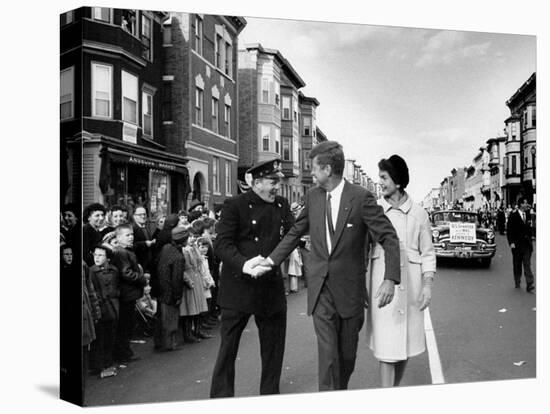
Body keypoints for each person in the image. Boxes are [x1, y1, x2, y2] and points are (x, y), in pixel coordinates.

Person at [261, 141, 401, 391]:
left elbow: (389, 237)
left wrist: (390, 278)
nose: (311, 173)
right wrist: (270, 261)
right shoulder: (313, 197)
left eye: (314, 168)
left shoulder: (360, 198)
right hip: (321, 290)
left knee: (346, 358)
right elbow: (295, 232)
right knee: (328, 356)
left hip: (349, 293)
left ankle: (340, 392)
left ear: (327, 169)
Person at [210, 158, 294, 398]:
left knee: (273, 351)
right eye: (272, 182)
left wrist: (272, 261)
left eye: (277, 182)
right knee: (227, 351)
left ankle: (269, 398)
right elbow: (222, 244)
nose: (277, 187)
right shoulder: (235, 205)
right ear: (256, 183)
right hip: (239, 287)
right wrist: (245, 264)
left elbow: (292, 235)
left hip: (270, 288)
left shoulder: (282, 205)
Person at [366, 155, 436, 387]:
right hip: (382, 285)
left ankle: (394, 390)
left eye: (384, 177)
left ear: (397, 181)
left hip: (412, 288)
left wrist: (427, 286)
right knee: (387, 348)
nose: (380, 182)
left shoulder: (419, 214)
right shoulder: (375, 210)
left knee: (405, 347)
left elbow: (427, 253)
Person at [110, 224, 148, 363]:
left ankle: (124, 352)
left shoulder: (125, 251)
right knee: (125, 326)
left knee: (126, 325)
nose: (131, 237)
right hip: (126, 294)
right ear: (118, 237)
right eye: (127, 235)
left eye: (131, 234)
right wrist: (141, 279)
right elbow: (126, 273)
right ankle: (123, 354)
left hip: (129, 293)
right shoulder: (121, 252)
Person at [89, 245, 120, 378]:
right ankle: (98, 366)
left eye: (100, 255)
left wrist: (115, 295)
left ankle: (108, 363)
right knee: (99, 338)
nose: (97, 258)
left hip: (113, 307)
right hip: (100, 308)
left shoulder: (114, 270)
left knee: (110, 336)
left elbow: (117, 286)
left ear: (107, 258)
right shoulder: (91, 271)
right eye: (95, 255)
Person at [155, 227, 188, 352]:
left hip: (162, 288)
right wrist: (178, 296)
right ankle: (170, 344)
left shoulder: (166, 248)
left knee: (162, 317)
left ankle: (161, 342)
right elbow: (177, 279)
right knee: (171, 318)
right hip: (171, 291)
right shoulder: (178, 257)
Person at [507, 197, 535, 293]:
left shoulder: (528, 214)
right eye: (525, 203)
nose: (527, 205)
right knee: (517, 264)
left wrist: (531, 237)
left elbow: (529, 228)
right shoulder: (513, 215)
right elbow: (509, 230)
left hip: (527, 245)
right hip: (517, 245)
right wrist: (511, 243)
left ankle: (530, 284)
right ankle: (517, 281)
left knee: (527, 264)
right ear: (521, 204)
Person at [132, 206, 156, 275]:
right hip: (139, 265)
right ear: (134, 216)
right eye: (140, 215)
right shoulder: (133, 228)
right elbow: (132, 245)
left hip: (148, 264)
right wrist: (145, 243)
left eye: (144, 214)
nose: (143, 216)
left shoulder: (145, 227)